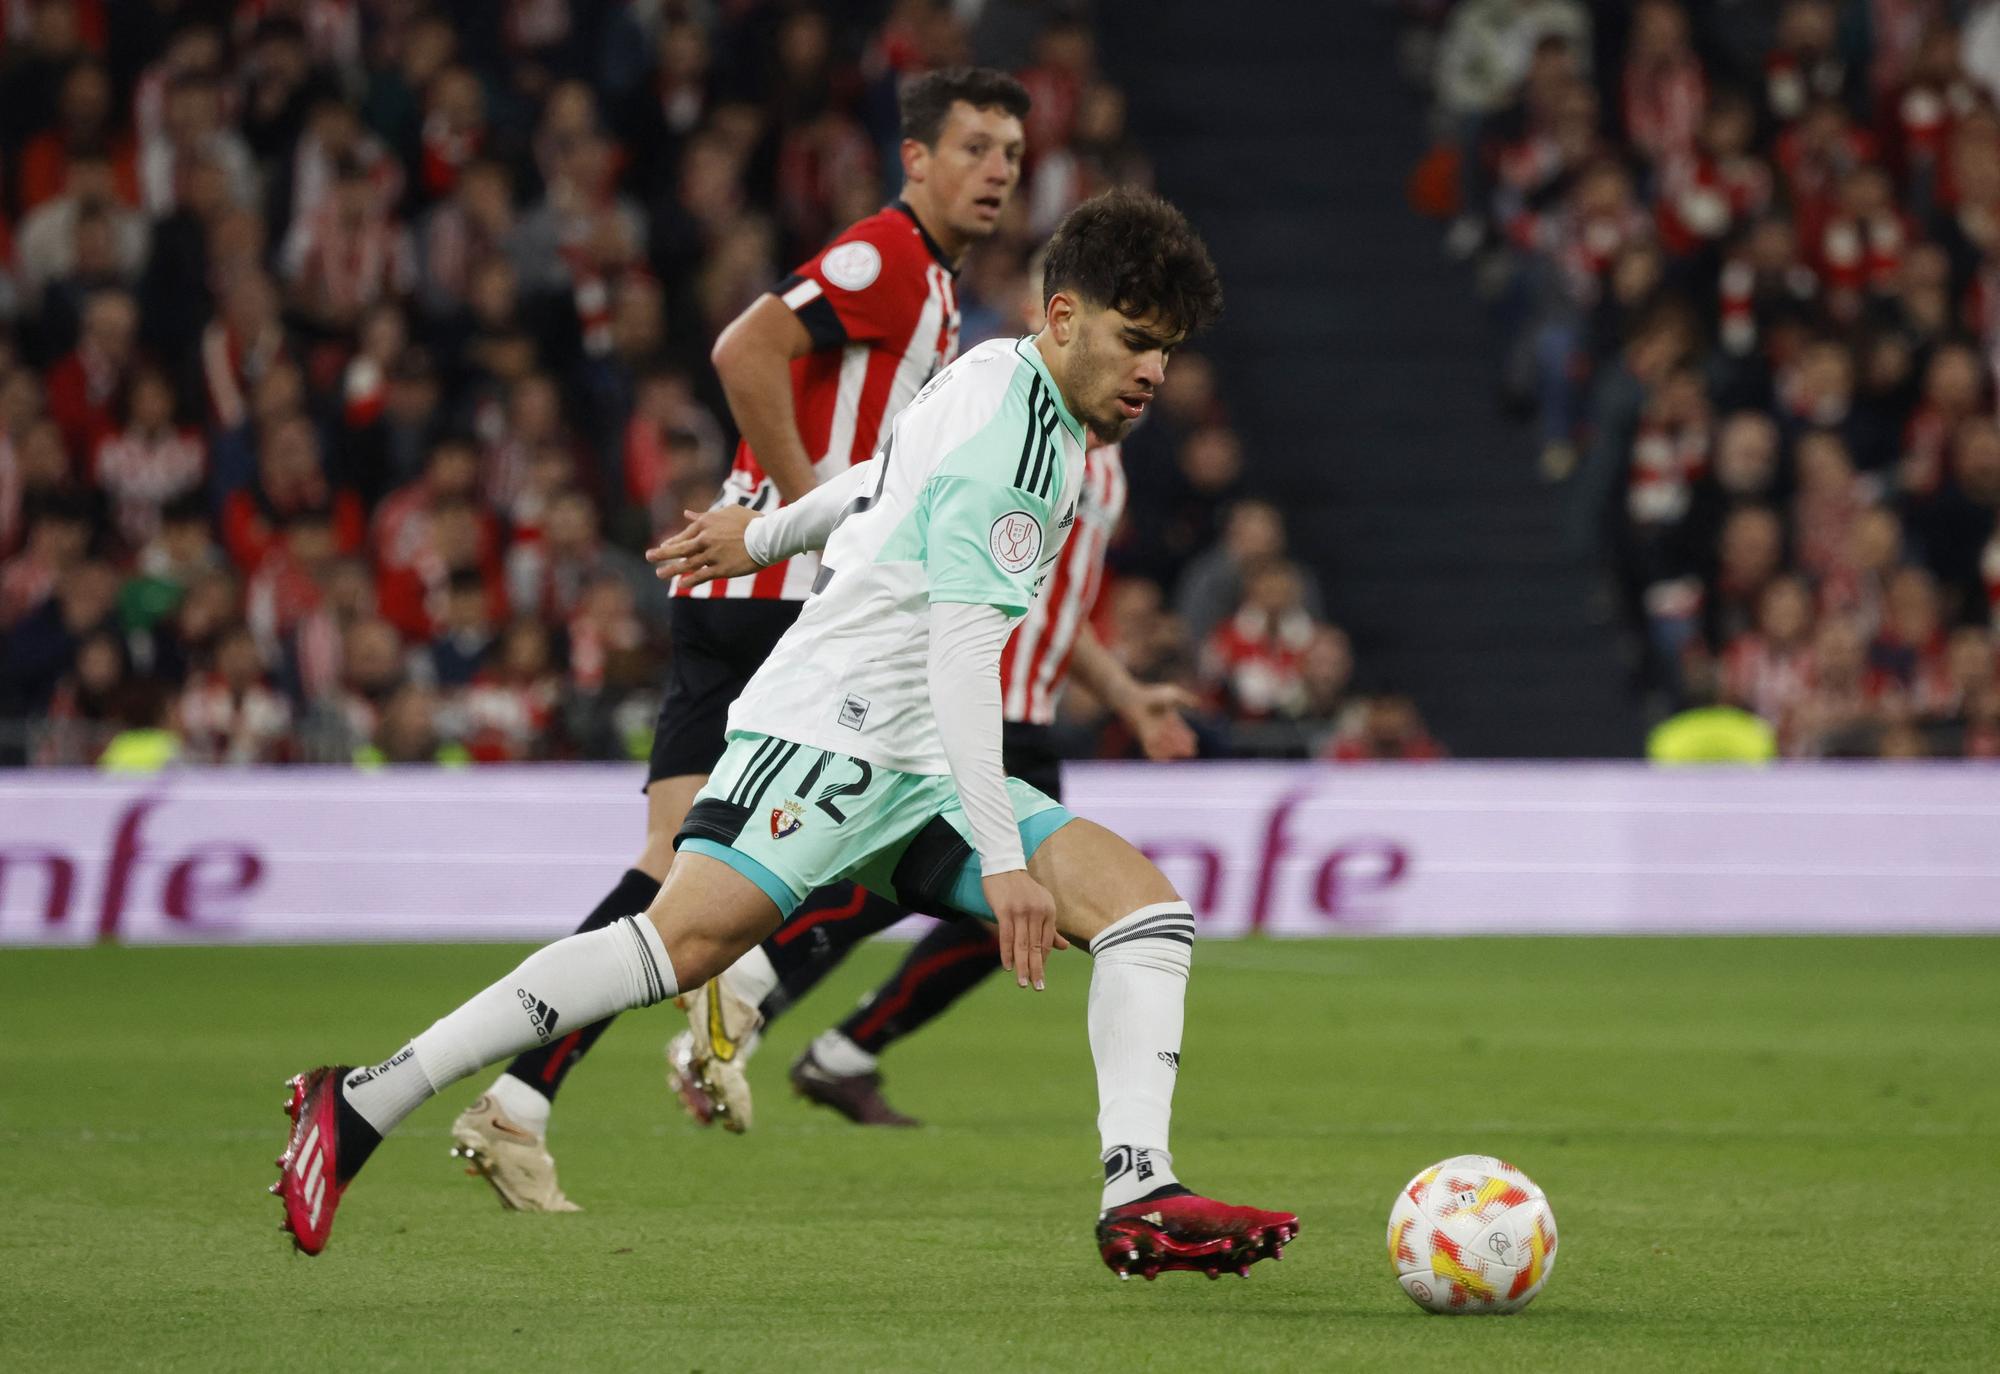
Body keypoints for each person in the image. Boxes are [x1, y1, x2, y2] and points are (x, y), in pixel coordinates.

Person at [272, 187, 1299, 1280]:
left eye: (1167, 352)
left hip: (911, 759)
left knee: (1145, 913)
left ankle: (1137, 1189)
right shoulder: (1020, 451)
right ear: (1060, 316)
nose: (1152, 373)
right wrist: (1005, 864)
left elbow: (879, 480)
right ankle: (364, 1099)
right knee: (677, 949)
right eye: (1135, 342)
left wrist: (763, 532)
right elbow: (958, 657)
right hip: (835, 735)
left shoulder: (994, 373)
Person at [441, 66, 1034, 1209]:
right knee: (919, 820)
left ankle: (517, 1104)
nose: (996, 170)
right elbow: (743, 349)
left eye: (1009, 151)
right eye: (972, 147)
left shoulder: (937, 288)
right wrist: (806, 525)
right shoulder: (889, 258)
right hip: (782, 605)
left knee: (664, 884)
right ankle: (740, 993)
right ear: (914, 160)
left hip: (730, 604)